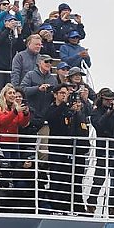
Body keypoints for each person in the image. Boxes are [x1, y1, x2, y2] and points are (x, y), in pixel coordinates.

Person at [44, 83, 85, 212]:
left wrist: (76, 112)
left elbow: (80, 129)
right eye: (61, 93)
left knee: (68, 180)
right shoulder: (52, 108)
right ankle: (56, 206)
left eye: (66, 93)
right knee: (56, 179)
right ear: (55, 95)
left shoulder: (68, 110)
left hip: (68, 150)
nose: (64, 95)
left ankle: (68, 207)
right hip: (56, 150)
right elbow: (52, 118)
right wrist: (64, 104)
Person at [85, 88, 114, 215]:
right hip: (103, 150)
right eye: (107, 99)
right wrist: (110, 113)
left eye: (111, 99)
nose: (109, 102)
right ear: (101, 99)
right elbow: (99, 125)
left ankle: (113, 207)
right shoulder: (96, 112)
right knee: (99, 178)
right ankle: (91, 203)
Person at [0, 15, 25, 94]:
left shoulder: (15, 35)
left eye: (14, 21)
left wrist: (19, 34)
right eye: (10, 21)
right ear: (5, 22)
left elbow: (21, 48)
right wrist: (7, 29)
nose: (13, 23)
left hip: (11, 68)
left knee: (9, 92)